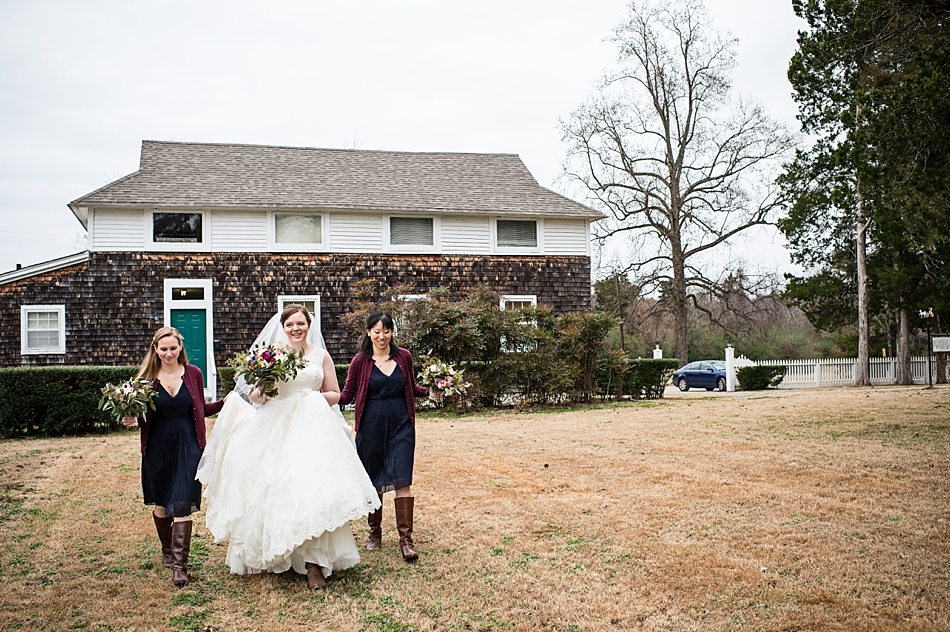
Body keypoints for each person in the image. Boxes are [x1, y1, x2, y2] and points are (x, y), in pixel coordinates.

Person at [197, 305, 381, 590]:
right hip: (275, 426)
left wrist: (312, 399)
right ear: (282, 327)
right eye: (290, 324)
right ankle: (279, 548)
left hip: (313, 426)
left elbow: (334, 393)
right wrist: (266, 388)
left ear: (309, 325)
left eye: (301, 323)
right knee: (276, 487)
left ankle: (314, 562)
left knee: (313, 487)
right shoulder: (270, 357)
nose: (296, 328)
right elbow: (256, 396)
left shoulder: (321, 356)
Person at [122, 326, 225, 588]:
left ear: (180, 347)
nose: (169, 353)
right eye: (163, 349)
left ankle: (180, 567)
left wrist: (226, 402)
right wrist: (130, 418)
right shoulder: (145, 379)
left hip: (189, 445)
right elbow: (139, 416)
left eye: (173, 348)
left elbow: (201, 409)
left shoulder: (193, 374)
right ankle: (167, 551)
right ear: (155, 350)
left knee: (182, 503)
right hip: (157, 447)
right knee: (161, 504)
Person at [339, 311, 433, 563]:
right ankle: (375, 531)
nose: (382, 336)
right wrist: (317, 397)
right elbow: (347, 395)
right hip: (371, 427)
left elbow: (411, 387)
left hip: (402, 425)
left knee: (403, 479)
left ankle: (406, 540)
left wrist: (433, 390)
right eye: (377, 331)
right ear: (369, 332)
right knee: (374, 480)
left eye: (387, 331)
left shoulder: (404, 357)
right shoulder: (360, 361)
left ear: (392, 332)